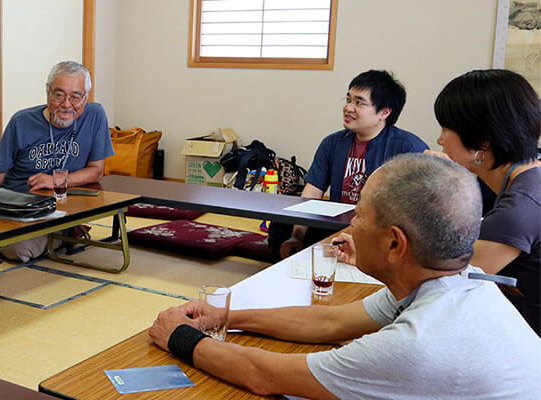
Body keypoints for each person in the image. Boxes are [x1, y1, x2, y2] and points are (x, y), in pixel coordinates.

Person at [149, 154, 541, 399]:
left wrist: (180, 336)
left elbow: (265, 375)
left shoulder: (418, 343)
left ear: (394, 245)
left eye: (361, 215)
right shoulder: (457, 282)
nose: (352, 223)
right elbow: (331, 320)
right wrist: (226, 316)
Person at [428, 69, 540, 334]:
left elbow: (443, 279)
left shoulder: (520, 207)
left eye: (446, 129)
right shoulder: (526, 177)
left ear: (482, 141)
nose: (440, 140)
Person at [272, 70, 428, 260]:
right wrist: (296, 236)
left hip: (378, 231)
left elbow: (418, 208)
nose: (349, 108)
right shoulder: (332, 143)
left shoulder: (408, 147)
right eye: (348, 100)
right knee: (280, 226)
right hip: (336, 224)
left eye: (359, 102)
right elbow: (312, 193)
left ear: (384, 112)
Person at [0, 61, 114, 261]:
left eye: (75, 97)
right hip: (14, 206)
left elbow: (96, 170)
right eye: (59, 94)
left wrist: (54, 180)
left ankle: (65, 232)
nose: (66, 104)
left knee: (18, 250)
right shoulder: (21, 121)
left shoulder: (95, 115)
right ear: (47, 92)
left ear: (85, 98)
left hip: (54, 210)